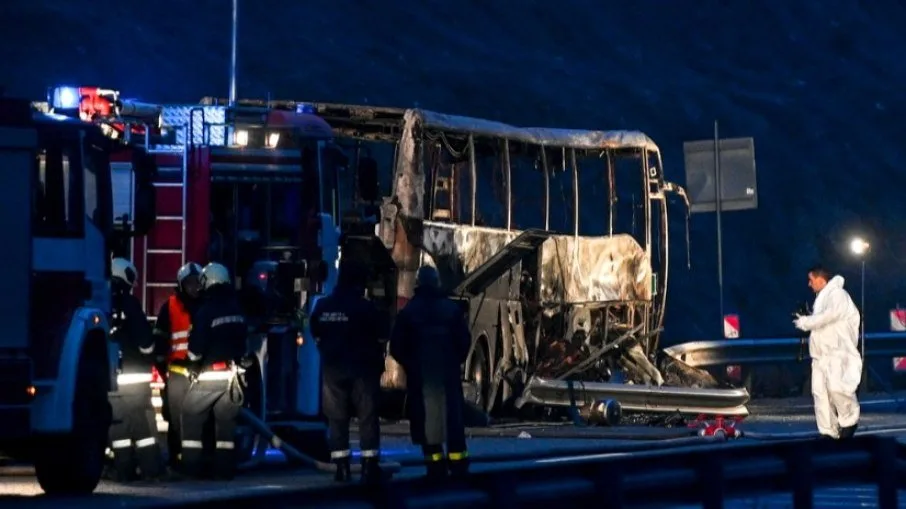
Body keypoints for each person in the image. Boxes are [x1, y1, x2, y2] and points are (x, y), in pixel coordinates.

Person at [389, 265, 471, 480]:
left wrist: (410, 366)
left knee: (427, 423)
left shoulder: (408, 312)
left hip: (421, 377)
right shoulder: (451, 310)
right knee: (453, 420)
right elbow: (464, 341)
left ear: (418, 283)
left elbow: (396, 346)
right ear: (436, 283)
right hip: (448, 376)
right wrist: (454, 362)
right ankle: (459, 464)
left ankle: (435, 466)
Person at [310, 260, 387, 484]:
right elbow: (382, 335)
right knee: (367, 417)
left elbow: (316, 332)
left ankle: (341, 469)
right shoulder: (366, 308)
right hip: (362, 369)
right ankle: (369, 467)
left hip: (333, 370)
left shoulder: (323, 307)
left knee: (336, 418)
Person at [180, 263, 249, 479]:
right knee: (225, 426)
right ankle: (224, 469)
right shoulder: (236, 308)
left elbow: (196, 349)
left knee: (190, 414)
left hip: (210, 375)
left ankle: (191, 468)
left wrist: (191, 367)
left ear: (208, 281)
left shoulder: (206, 310)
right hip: (234, 377)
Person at [108, 257, 164, 481]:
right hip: (135, 379)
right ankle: (151, 469)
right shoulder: (130, 304)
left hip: (111, 378)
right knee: (142, 427)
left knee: (117, 425)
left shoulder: (101, 301)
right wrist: (153, 350)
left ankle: (124, 470)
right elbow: (145, 343)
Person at [794, 265, 862, 439]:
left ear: (820, 279)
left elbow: (830, 316)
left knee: (838, 388)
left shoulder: (838, 295)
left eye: (811, 280)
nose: (809, 284)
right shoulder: (821, 299)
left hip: (837, 353)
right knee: (820, 394)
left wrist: (806, 322)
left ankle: (849, 421)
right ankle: (828, 431)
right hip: (820, 356)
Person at [153, 262, 202, 470]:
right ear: (181, 285)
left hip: (200, 372)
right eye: (189, 284)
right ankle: (175, 458)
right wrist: (162, 368)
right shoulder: (170, 306)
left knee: (198, 417)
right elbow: (160, 339)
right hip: (176, 373)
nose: (193, 288)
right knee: (174, 418)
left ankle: (195, 461)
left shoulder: (206, 306)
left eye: (196, 283)